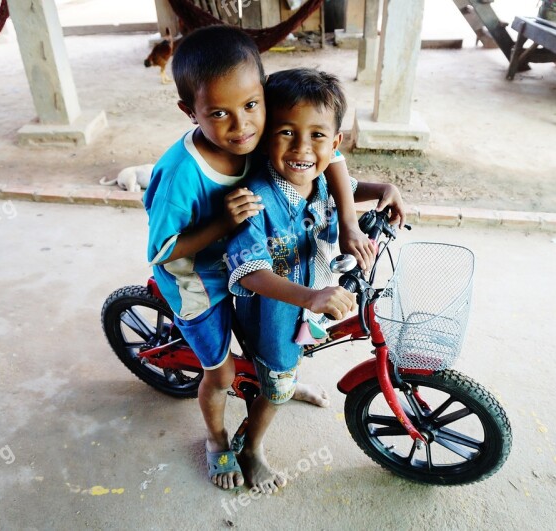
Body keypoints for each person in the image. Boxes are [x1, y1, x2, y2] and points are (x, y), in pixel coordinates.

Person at [143, 26, 383, 492]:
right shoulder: (181, 173)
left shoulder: (263, 139)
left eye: (252, 107)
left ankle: (278, 381)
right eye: (219, 113)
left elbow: (325, 153)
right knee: (223, 370)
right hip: (199, 279)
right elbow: (161, 251)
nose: (242, 126)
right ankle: (217, 440)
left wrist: (372, 196)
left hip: (255, 263)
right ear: (188, 111)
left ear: (263, 99)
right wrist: (221, 225)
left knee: (276, 337)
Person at [226, 68, 404, 493]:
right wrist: (312, 296)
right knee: (275, 380)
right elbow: (251, 273)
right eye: (287, 132)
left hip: (311, 298)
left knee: (299, 352)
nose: (302, 148)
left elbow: (347, 182)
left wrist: (386, 187)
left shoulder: (320, 177)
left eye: (317, 136)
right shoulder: (254, 199)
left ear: (336, 142)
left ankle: (287, 378)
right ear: (266, 132)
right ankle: (251, 448)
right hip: (273, 311)